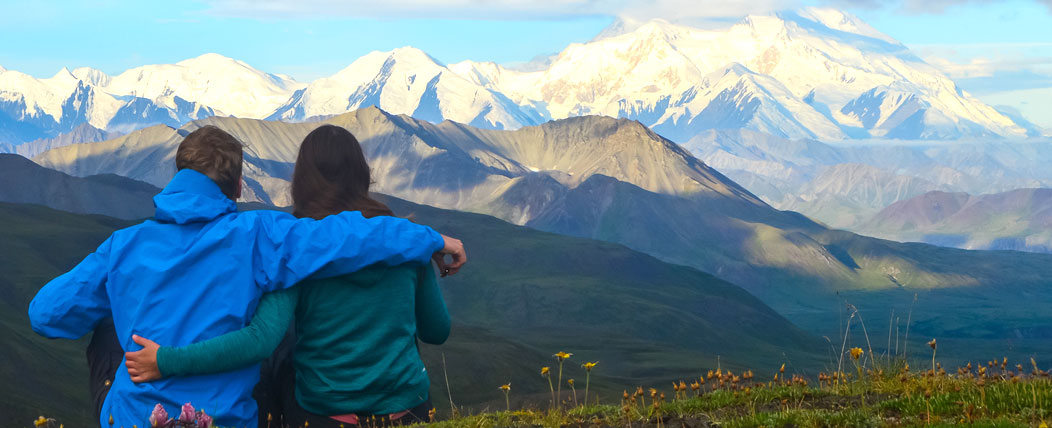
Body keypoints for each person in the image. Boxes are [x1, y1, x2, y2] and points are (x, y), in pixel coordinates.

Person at [28, 125, 466, 428]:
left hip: (136, 414)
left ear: (176, 179)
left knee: (106, 326)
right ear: (238, 187)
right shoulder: (261, 235)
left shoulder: (122, 246)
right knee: (277, 330)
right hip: (224, 419)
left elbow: (45, 314)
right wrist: (431, 239)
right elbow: (346, 236)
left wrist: (125, 295)